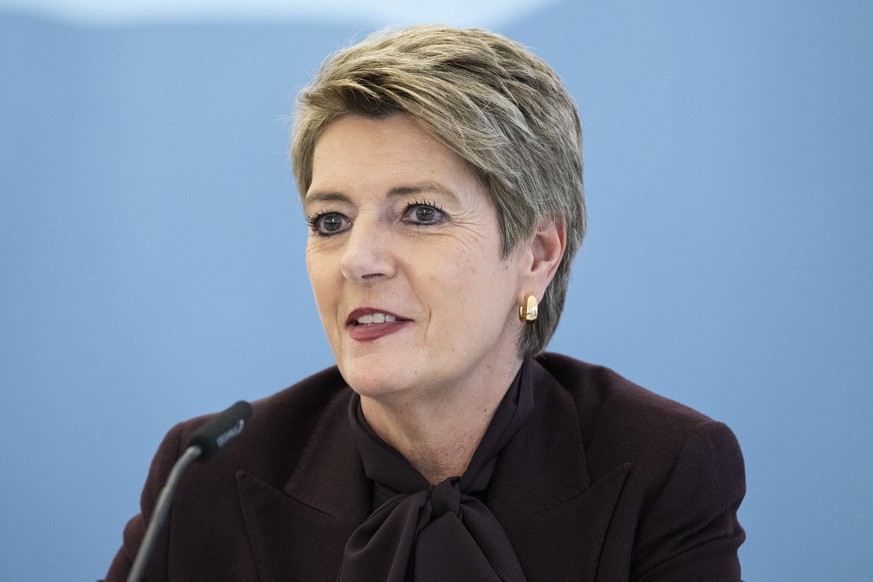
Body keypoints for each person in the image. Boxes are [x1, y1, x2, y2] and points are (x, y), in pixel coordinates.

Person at [105, 24, 745, 581]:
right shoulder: (207, 475)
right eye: (331, 221)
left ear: (538, 254)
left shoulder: (661, 467)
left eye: (420, 213)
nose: (358, 259)